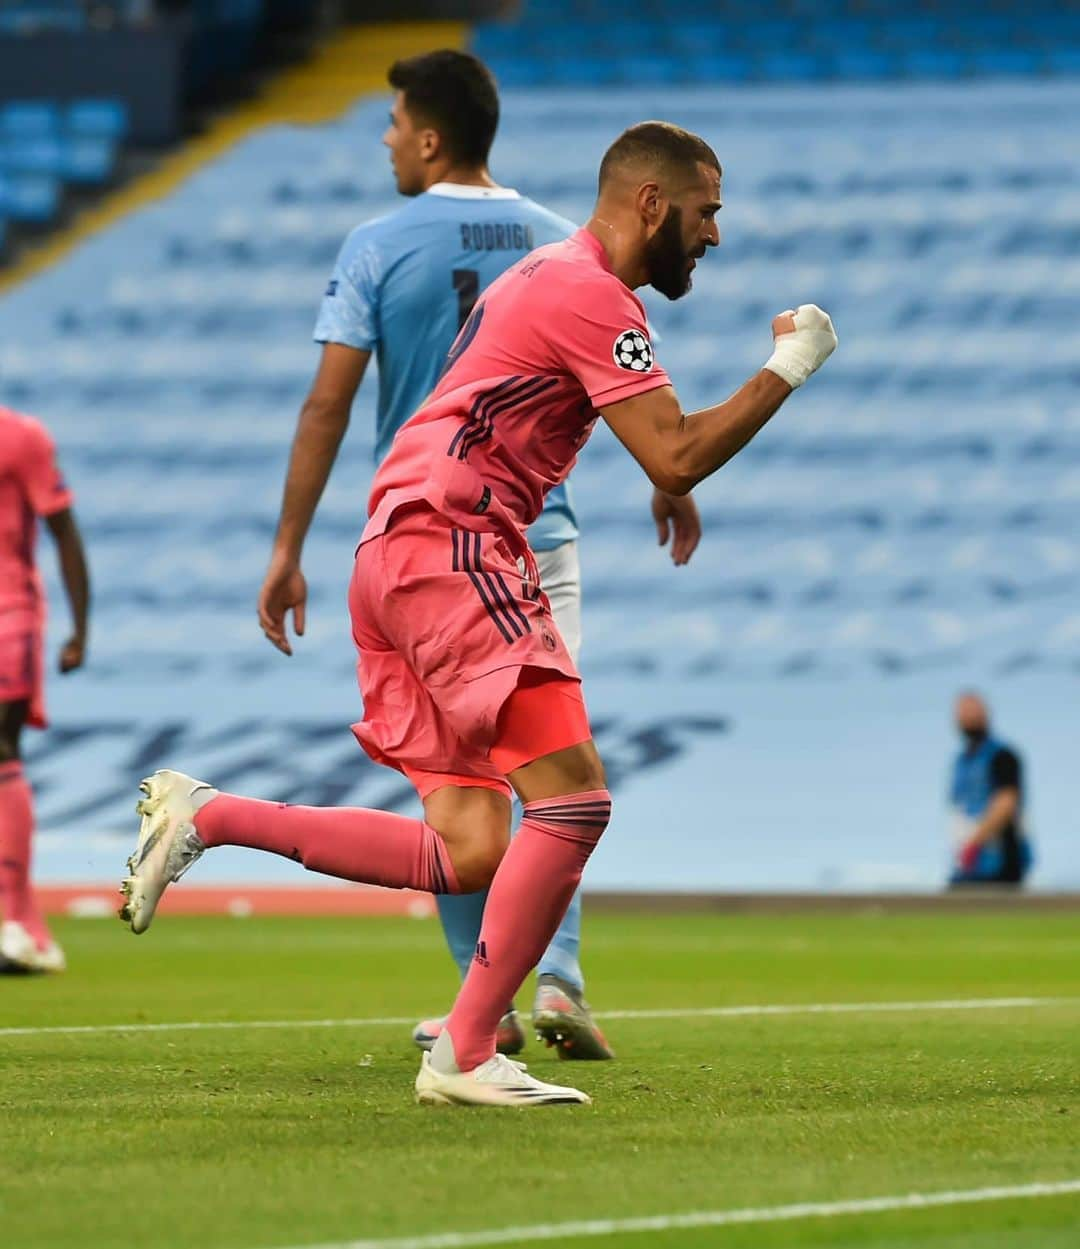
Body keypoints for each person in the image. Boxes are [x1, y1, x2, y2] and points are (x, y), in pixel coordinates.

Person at [118, 120, 837, 1107]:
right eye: (708, 211)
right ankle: (464, 1047)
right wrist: (794, 363)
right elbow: (673, 452)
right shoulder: (590, 291)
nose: (717, 234)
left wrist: (667, 468)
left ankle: (211, 814)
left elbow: (608, 431)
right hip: (457, 542)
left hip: (395, 550)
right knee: (576, 798)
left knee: (472, 849)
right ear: (653, 204)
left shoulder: (550, 278)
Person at [293, 50, 695, 1061]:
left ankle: (486, 1004)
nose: (385, 136)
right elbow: (612, 390)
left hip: (430, 537)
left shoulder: (379, 243)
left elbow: (331, 401)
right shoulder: (563, 241)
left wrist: (288, 542)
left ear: (430, 135)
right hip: (535, 532)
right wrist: (672, 475)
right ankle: (548, 978)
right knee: (553, 775)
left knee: (484, 785)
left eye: (391, 121)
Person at [0, 406, 90, 974]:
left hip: (8, 615)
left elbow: (64, 530)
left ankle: (13, 921)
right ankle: (30, 929)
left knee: (1, 750)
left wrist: (81, 627)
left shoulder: (21, 437)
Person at [948, 691, 1032, 888]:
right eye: (962, 713)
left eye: (973, 711)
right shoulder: (963, 760)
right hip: (970, 863)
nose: (968, 717)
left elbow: (1006, 801)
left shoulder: (1002, 755)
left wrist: (974, 843)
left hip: (1001, 860)